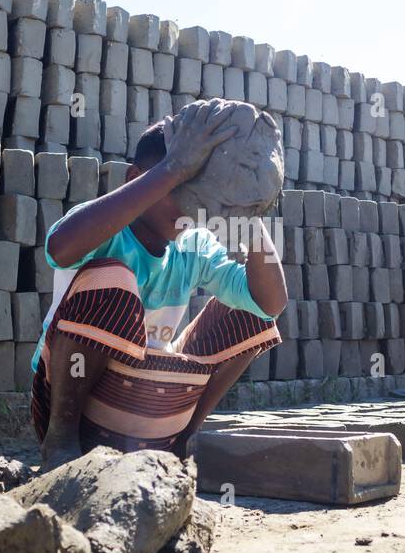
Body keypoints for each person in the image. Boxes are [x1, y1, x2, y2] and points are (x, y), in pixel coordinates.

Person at [30, 99, 289, 470]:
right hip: (82, 413)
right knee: (113, 278)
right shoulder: (105, 229)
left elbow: (271, 304)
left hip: (153, 415)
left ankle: (182, 443)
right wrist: (174, 168)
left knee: (250, 313)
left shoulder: (194, 247)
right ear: (137, 179)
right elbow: (61, 248)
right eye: (179, 186)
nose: (188, 204)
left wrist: (246, 209)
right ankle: (60, 445)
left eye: (199, 189)